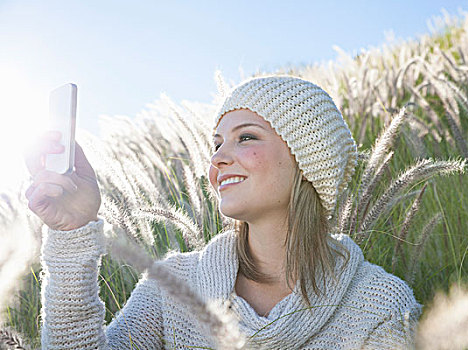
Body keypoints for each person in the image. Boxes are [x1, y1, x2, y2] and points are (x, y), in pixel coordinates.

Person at [26, 75, 421, 349]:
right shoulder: (173, 286)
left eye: (246, 137)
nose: (217, 159)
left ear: (308, 162)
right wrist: (72, 232)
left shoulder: (379, 306)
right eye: (216, 144)